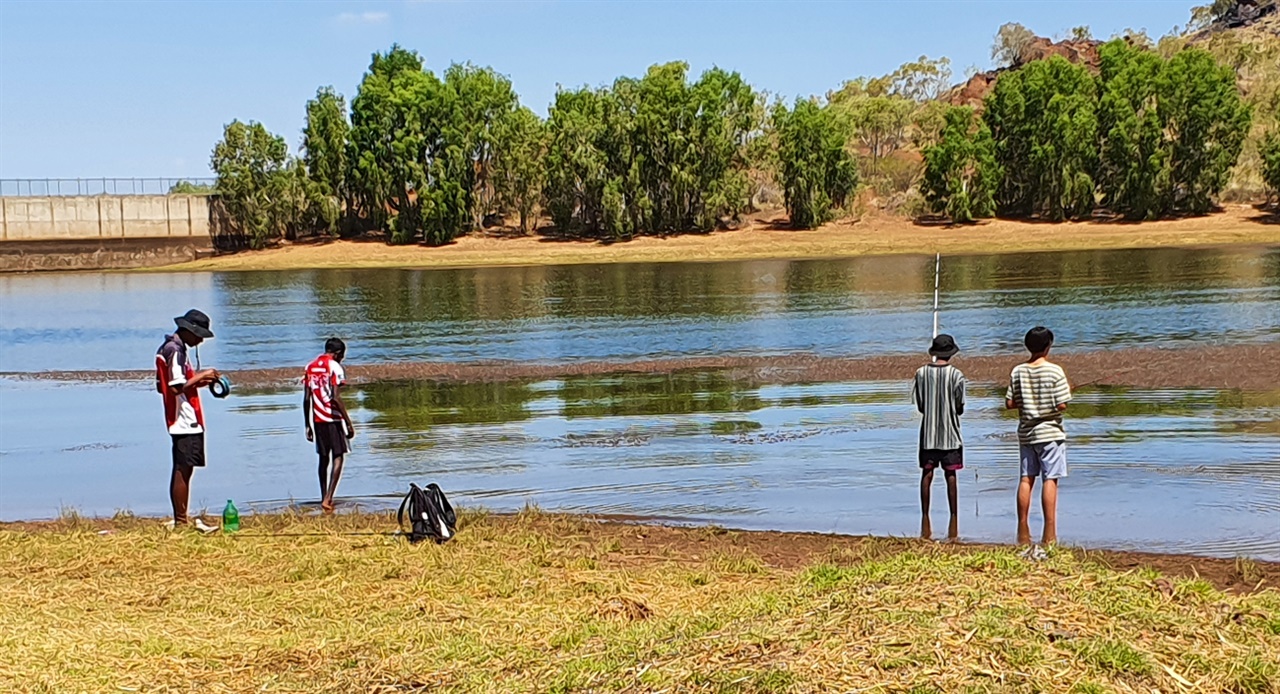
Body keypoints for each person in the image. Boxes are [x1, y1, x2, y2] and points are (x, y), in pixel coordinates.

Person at [1006, 326, 1072, 550]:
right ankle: (1050, 528)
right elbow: (1062, 405)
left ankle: (1022, 525)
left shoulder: (1018, 371)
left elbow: (1010, 403)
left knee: (1026, 479)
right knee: (1050, 479)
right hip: (1050, 433)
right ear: (1048, 346)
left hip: (1026, 433)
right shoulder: (1055, 371)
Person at [155, 309, 221, 531]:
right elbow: (175, 387)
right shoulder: (176, 351)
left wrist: (197, 382)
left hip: (178, 416)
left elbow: (161, 386)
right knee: (183, 469)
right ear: (189, 330)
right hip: (184, 417)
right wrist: (202, 376)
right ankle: (181, 521)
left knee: (183, 468)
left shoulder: (168, 348)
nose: (201, 340)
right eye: (199, 335)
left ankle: (181, 517)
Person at [911, 334, 966, 541]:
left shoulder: (921, 373)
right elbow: (960, 406)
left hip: (928, 435)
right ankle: (954, 516)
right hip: (950, 435)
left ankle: (925, 517)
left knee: (927, 474)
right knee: (950, 475)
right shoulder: (956, 376)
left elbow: (921, 406)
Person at [304, 337, 354, 512]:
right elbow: (335, 397)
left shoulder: (310, 367)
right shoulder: (334, 367)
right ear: (338, 353)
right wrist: (348, 423)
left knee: (323, 458)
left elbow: (306, 399)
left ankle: (323, 496)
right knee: (338, 456)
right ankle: (329, 498)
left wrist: (307, 425)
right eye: (342, 356)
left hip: (317, 419)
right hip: (332, 418)